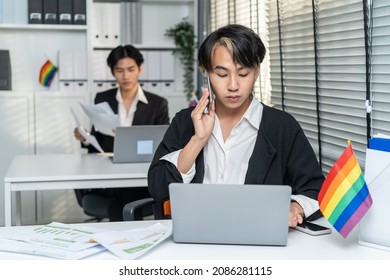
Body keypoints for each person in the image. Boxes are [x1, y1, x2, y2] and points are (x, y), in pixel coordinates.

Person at [148, 24, 324, 227]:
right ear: (207, 74)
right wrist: (197, 141)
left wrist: (295, 207)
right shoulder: (185, 121)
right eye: (222, 75)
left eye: (243, 74)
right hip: (195, 232)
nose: (233, 85)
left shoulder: (282, 127)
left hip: (257, 234)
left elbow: (316, 189)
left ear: (256, 72)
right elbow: (158, 188)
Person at [74, 44, 170, 221]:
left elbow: (164, 143)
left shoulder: (158, 104)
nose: (125, 76)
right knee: (122, 198)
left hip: (140, 175)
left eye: (130, 69)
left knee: (124, 197)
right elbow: (99, 141)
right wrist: (86, 138)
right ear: (112, 72)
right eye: (119, 70)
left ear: (140, 69)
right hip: (108, 174)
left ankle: (120, 231)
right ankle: (127, 233)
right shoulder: (103, 98)